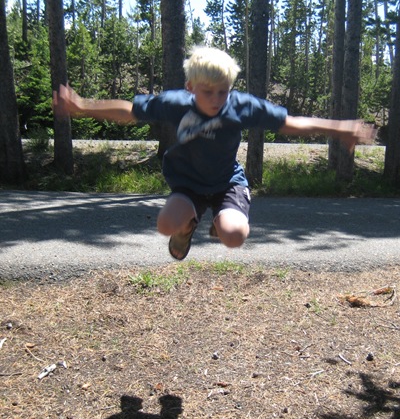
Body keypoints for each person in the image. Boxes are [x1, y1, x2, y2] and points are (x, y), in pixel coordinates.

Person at [54, 46, 376, 261]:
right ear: (190, 87)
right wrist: (83, 107)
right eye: (207, 92)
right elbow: (129, 111)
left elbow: (290, 123)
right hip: (188, 184)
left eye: (223, 91)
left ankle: (221, 223)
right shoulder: (176, 103)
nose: (216, 99)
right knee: (165, 224)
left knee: (233, 236)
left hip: (226, 183)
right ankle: (186, 228)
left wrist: (339, 128)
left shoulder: (241, 106)